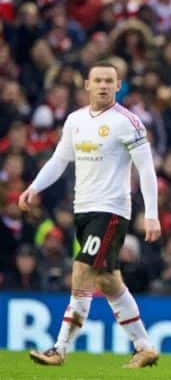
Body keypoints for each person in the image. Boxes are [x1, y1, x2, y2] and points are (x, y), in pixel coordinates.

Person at [19, 63, 162, 368]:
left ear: (118, 85)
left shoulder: (129, 122)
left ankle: (59, 348)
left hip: (111, 210)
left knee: (82, 268)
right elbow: (60, 160)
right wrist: (34, 187)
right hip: (82, 209)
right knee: (109, 281)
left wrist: (152, 214)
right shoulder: (75, 120)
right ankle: (145, 346)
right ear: (86, 84)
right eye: (97, 80)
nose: (103, 86)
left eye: (109, 81)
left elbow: (146, 169)